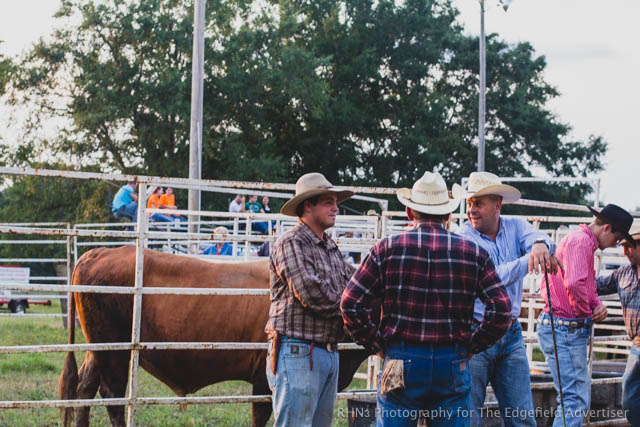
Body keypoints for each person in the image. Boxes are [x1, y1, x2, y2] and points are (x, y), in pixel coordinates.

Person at [341, 171, 512, 427]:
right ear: (448, 214)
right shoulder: (473, 253)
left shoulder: (386, 249)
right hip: (453, 359)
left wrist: (377, 344)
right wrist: (472, 346)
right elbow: (502, 310)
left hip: (400, 356)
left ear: (410, 213)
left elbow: (350, 303)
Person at [457, 171, 558, 427]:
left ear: (497, 205)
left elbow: (544, 239)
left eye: (478, 203)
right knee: (469, 416)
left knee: (522, 416)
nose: (472, 209)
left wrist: (540, 245)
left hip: (509, 332)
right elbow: (491, 278)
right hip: (475, 333)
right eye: (470, 203)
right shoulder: (463, 237)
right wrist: (531, 258)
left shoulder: (516, 225)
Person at [265, 172, 355, 426]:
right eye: (328, 202)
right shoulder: (291, 242)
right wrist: (355, 308)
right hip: (299, 350)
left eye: (335, 202)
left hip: (321, 351)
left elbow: (354, 281)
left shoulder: (328, 246)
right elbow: (311, 292)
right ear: (308, 205)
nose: (336, 208)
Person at [538, 204, 635, 427]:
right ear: (607, 228)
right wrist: (589, 312)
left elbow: (577, 282)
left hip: (562, 325)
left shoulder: (579, 240)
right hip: (566, 327)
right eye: (617, 238)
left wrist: (593, 303)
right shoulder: (581, 242)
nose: (614, 245)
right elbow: (574, 283)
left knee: (573, 399)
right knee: (574, 401)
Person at [596, 224, 640, 426]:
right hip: (637, 345)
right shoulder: (622, 274)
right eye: (623, 247)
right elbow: (596, 286)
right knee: (630, 398)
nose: (626, 252)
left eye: (630, 246)